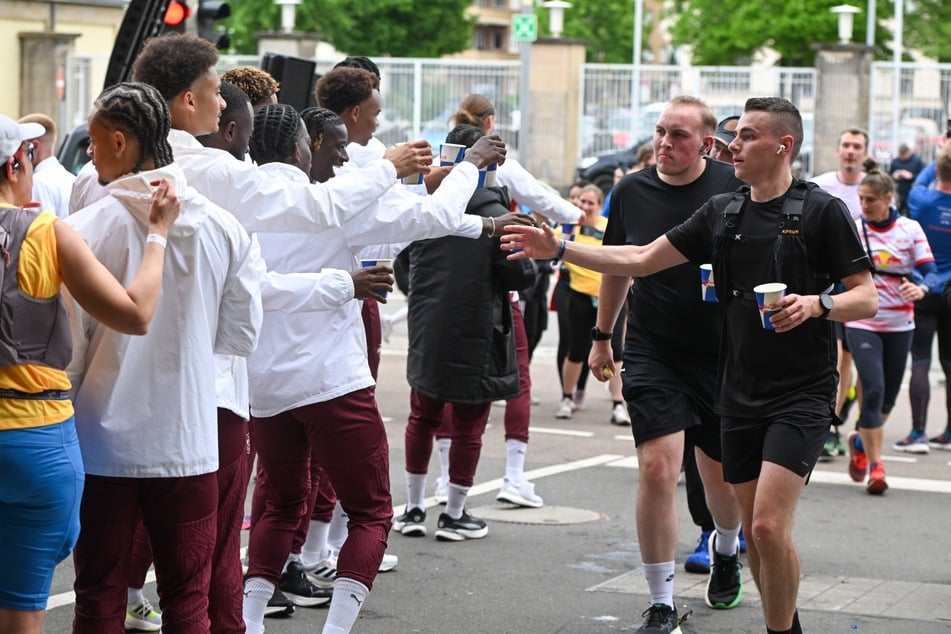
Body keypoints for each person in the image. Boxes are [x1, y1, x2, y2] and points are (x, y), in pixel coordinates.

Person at [502, 96, 878, 634]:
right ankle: (759, 607)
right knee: (755, 527)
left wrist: (819, 303)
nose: (732, 145)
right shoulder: (724, 212)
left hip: (801, 390)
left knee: (769, 528)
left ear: (782, 145)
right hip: (738, 389)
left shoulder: (820, 210)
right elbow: (637, 258)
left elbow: (867, 299)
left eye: (746, 136)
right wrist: (560, 250)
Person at [241, 106, 510, 633]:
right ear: (304, 146)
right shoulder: (330, 205)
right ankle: (336, 630)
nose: (344, 158)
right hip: (330, 384)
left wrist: (484, 224)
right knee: (370, 513)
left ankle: (248, 623)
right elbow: (426, 219)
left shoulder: (241, 197)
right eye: (334, 147)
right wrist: (472, 165)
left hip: (264, 388)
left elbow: (403, 229)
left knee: (279, 507)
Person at [66, 81, 262, 633]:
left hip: (101, 442)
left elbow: (71, 354)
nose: (90, 153)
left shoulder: (82, 230)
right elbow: (239, 337)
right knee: (188, 602)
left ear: (123, 142)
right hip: (186, 438)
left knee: (98, 596)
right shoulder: (226, 228)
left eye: (96, 141)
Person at [0, 112, 177, 634]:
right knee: (20, 611)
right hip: (35, 441)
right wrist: (157, 236)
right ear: (14, 165)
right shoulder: (44, 233)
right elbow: (135, 313)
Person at [586, 95, 745, 631]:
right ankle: (660, 602)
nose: (665, 144)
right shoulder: (630, 189)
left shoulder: (731, 186)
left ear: (707, 142)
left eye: (679, 135)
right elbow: (616, 267)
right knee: (657, 467)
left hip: (721, 352)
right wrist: (603, 336)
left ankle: (725, 546)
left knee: (720, 477)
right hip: (653, 350)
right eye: (660, 132)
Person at [394, 123, 537, 541]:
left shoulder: (423, 202)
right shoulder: (496, 213)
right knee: (470, 423)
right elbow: (520, 275)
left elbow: (401, 263)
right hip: (479, 329)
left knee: (422, 416)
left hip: (426, 326)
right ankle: (454, 513)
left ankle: (415, 507)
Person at [844, 164, 935, 493]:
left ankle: (860, 440)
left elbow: (930, 270)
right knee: (874, 388)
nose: (865, 205)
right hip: (862, 320)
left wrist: (921, 287)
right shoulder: (854, 228)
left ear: (888, 199)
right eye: (861, 199)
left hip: (901, 324)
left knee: (886, 402)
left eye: (871, 200)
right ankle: (876, 467)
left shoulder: (909, 229)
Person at [812, 127, 870, 458]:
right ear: (838, 150)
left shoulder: (872, 188)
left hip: (862, 283)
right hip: (830, 281)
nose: (850, 151)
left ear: (864, 152)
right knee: (832, 356)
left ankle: (840, 418)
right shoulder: (821, 185)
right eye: (846, 145)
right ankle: (829, 428)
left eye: (856, 146)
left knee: (849, 359)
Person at [554, 183, 629, 426]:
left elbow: (624, 256)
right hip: (580, 295)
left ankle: (618, 404)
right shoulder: (567, 227)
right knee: (576, 350)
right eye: (581, 202)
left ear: (599, 206)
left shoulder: (608, 228)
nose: (584, 207)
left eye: (590, 203)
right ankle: (567, 397)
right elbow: (551, 247)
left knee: (616, 352)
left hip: (610, 298)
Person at [905, 137, 951, 452]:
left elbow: (922, 178)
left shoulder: (922, 199)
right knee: (949, 362)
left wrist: (942, 154)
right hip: (949, 289)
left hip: (923, 288)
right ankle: (949, 432)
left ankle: (918, 432)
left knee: (920, 359)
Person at [17, 113, 75, 218]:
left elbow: (40, 232)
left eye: (19, 147)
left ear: (34, 146)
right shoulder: (71, 179)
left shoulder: (37, 182)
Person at [195, 81, 254, 161]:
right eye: (248, 136)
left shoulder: (176, 160)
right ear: (230, 131)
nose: (248, 148)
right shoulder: (235, 171)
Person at [890, 143, 924, 216]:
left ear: (908, 152)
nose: (903, 157)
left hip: (911, 192)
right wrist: (894, 176)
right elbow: (889, 175)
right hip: (898, 192)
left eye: (904, 155)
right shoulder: (895, 162)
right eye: (901, 156)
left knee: (911, 215)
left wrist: (911, 176)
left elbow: (922, 177)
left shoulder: (917, 161)